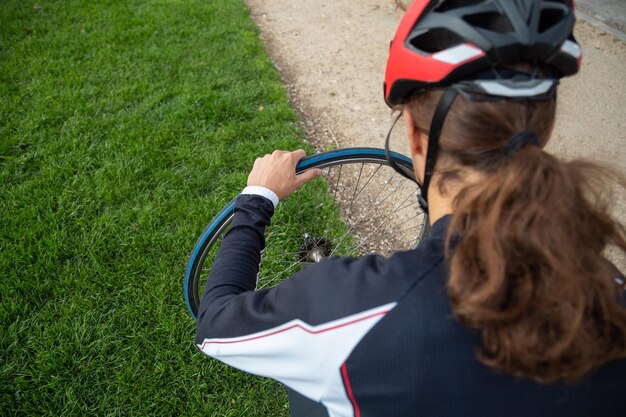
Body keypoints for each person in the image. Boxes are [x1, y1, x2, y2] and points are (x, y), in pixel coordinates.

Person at [195, 1, 626, 416]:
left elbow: (215, 322)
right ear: (544, 132)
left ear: (415, 137)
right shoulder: (609, 293)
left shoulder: (351, 309)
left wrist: (257, 198)